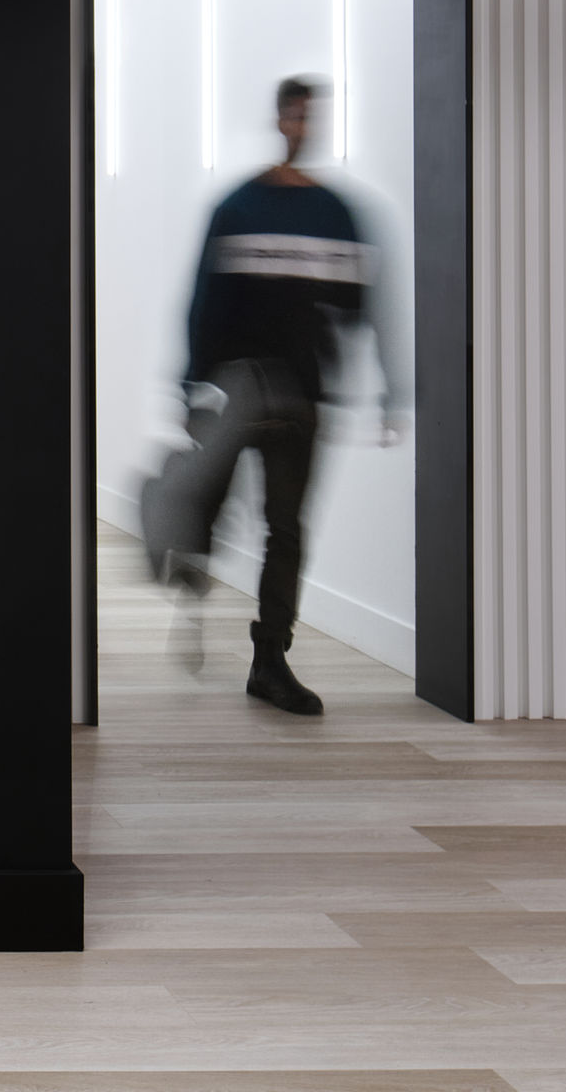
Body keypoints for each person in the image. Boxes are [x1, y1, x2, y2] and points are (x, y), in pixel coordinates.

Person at [141, 74, 407, 717]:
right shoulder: (238, 207)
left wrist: (391, 387)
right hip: (237, 387)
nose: (303, 126)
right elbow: (204, 300)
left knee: (285, 529)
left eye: (312, 116)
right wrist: (189, 381)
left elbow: (366, 304)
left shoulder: (338, 213)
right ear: (279, 119)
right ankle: (182, 542)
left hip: (302, 396)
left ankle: (270, 660)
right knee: (210, 501)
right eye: (295, 114)